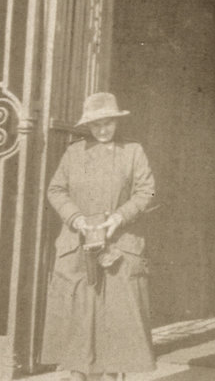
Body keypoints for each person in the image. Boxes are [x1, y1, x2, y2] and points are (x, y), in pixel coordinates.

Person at [41, 92, 156, 381]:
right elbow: (56, 190)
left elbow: (147, 192)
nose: (103, 130)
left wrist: (119, 217)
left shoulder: (133, 152)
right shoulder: (74, 153)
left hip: (118, 247)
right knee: (78, 322)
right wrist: (76, 219)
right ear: (88, 126)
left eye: (108, 123)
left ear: (116, 122)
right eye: (96, 125)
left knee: (115, 325)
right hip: (78, 247)